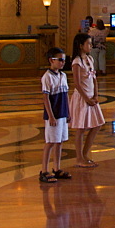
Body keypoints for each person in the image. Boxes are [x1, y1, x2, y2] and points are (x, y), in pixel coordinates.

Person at [69, 33, 104, 168]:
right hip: (82, 98)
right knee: (81, 128)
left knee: (97, 125)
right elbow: (77, 83)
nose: (91, 46)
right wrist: (86, 99)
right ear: (80, 46)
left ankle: (84, 154)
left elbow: (94, 79)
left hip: (90, 97)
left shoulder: (90, 59)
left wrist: (95, 95)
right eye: (88, 43)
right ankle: (79, 158)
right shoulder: (77, 62)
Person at [41, 46, 72, 183]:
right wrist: (51, 116)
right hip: (54, 115)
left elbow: (66, 96)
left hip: (62, 113)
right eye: (60, 60)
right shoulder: (47, 77)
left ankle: (57, 167)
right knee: (51, 142)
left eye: (64, 60)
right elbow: (46, 98)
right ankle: (44, 170)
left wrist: (68, 112)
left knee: (59, 141)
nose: (62, 62)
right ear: (51, 60)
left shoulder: (63, 76)